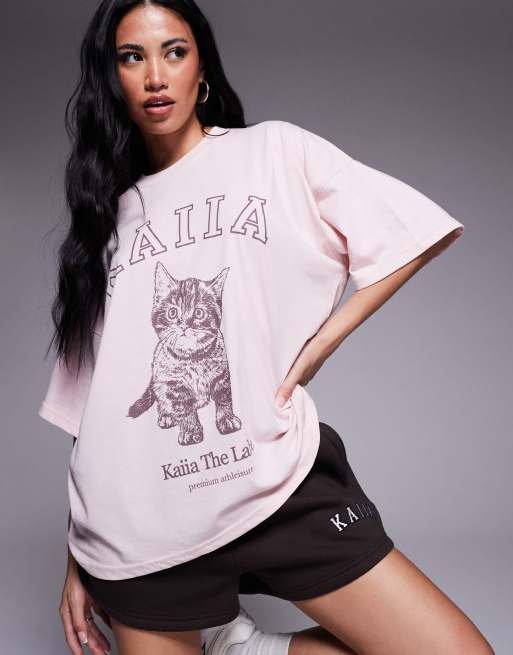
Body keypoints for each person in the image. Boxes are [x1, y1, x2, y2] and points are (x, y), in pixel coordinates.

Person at [38, 1, 495, 654]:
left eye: (174, 51)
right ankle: (233, 642)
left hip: (270, 483)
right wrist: (80, 555)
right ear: (112, 78)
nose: (155, 76)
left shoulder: (272, 152)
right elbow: (95, 412)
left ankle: (239, 644)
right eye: (131, 58)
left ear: (201, 68)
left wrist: (320, 345)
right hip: (141, 533)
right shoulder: (105, 218)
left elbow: (409, 231)